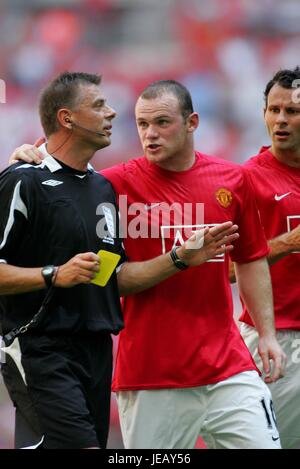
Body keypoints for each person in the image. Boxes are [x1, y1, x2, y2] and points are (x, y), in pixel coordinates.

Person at [8, 79, 286, 449]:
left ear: (192, 122)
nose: (149, 134)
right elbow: (109, 276)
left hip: (229, 367)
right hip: (150, 375)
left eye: (162, 123)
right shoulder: (111, 186)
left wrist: (266, 333)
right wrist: (27, 158)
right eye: (142, 124)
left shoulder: (232, 179)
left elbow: (251, 258)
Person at [229, 67, 300, 449]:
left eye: (292, 111)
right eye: (274, 110)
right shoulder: (247, 180)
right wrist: (286, 243)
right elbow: (222, 269)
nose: (281, 120)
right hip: (278, 342)